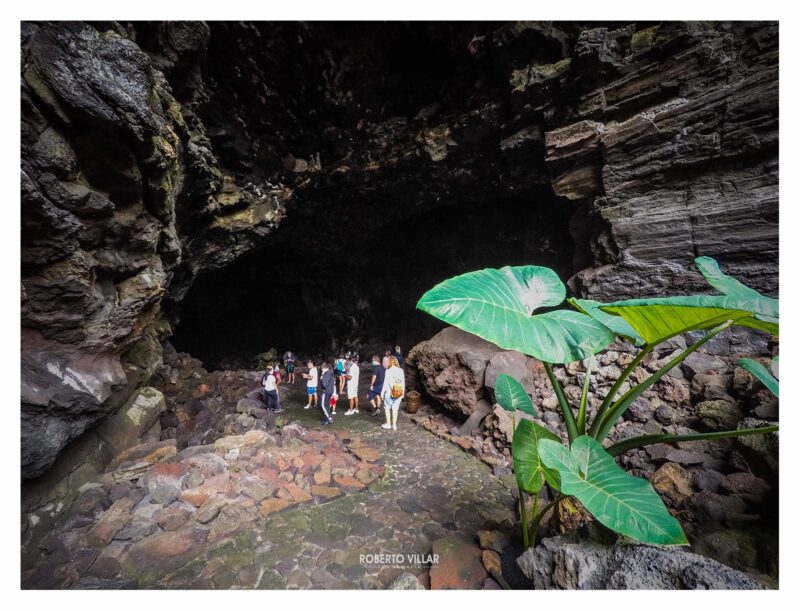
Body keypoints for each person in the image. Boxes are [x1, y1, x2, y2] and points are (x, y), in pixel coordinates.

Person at [381, 356, 405, 430]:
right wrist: (403, 393)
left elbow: (385, 383)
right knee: (395, 409)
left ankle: (388, 424)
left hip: (389, 393)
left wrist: (382, 393)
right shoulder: (401, 370)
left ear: (390, 362)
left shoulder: (388, 371)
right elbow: (403, 382)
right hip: (399, 392)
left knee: (387, 408)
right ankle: (394, 425)